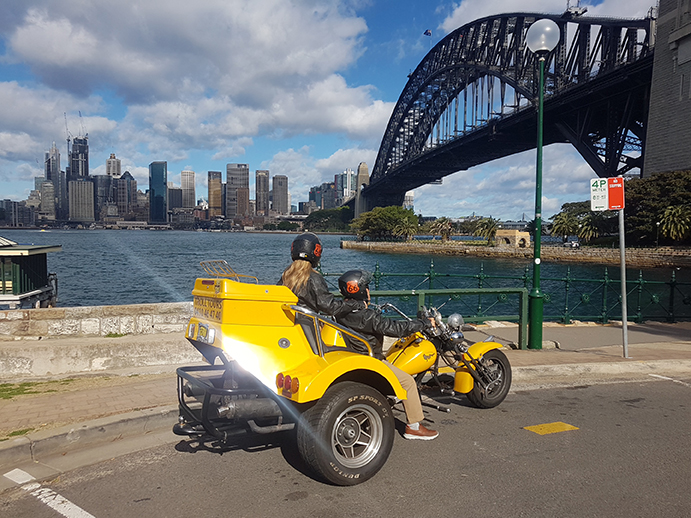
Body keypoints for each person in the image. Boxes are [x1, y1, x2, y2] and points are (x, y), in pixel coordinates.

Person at [335, 269, 439, 440]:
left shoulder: (340, 311)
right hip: (371, 359)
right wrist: (423, 324)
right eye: (366, 286)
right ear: (359, 290)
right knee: (408, 382)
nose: (369, 290)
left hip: (351, 356)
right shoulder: (367, 317)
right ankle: (414, 427)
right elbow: (396, 328)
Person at [279, 232, 363, 318]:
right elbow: (329, 306)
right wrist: (355, 304)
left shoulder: (286, 276)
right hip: (307, 324)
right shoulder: (314, 277)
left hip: (288, 322)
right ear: (316, 252)